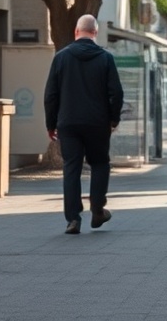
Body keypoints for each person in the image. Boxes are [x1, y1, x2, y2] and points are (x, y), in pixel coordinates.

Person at [44, 14, 124, 235]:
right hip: (97, 123)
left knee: (72, 167)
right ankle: (97, 209)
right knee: (99, 164)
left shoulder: (61, 58)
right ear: (95, 33)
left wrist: (51, 124)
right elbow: (116, 93)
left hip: (68, 123)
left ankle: (73, 219)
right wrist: (113, 119)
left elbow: (51, 94)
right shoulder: (105, 58)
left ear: (76, 32)